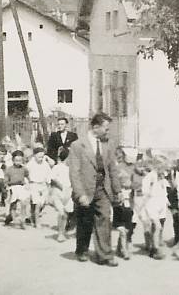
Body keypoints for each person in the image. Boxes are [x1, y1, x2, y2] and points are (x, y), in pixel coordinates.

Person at [67, 113, 122, 267]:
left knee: (104, 219)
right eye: (106, 128)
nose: (108, 132)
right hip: (85, 189)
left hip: (103, 188)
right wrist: (80, 194)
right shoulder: (77, 145)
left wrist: (117, 190)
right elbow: (74, 172)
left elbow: (112, 168)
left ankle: (104, 255)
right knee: (85, 221)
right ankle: (82, 250)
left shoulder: (108, 144)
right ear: (95, 127)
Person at [112, 147, 135, 260]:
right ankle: (124, 250)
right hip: (119, 197)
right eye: (118, 155)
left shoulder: (133, 168)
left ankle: (120, 248)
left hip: (130, 197)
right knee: (121, 226)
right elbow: (113, 182)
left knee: (129, 225)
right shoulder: (115, 168)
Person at [50, 147, 73, 242]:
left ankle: (62, 231)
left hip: (69, 193)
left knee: (66, 214)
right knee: (61, 212)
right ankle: (60, 233)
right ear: (66, 158)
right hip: (58, 192)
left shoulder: (72, 169)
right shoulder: (58, 167)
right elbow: (53, 179)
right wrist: (62, 187)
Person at [26, 147, 52, 228]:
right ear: (34, 156)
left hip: (43, 185)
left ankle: (32, 216)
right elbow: (26, 174)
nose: (41, 158)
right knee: (37, 204)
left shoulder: (45, 164)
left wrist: (48, 183)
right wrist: (27, 184)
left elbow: (48, 174)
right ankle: (37, 222)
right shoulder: (30, 164)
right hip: (34, 185)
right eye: (39, 157)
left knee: (42, 204)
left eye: (42, 156)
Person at [4, 150, 29, 229]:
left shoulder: (24, 169)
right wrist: (7, 186)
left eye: (20, 160)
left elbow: (27, 176)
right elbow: (6, 180)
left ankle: (22, 220)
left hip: (21, 187)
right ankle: (13, 220)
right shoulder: (9, 169)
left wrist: (28, 183)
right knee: (13, 204)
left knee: (23, 203)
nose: (18, 162)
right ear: (13, 160)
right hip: (12, 187)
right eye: (16, 160)